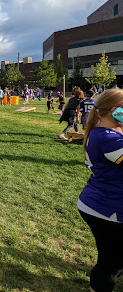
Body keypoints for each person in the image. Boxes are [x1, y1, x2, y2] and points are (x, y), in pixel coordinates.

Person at [77, 89, 123, 292]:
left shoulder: (104, 132)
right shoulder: (108, 139)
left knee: (112, 260)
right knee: (109, 264)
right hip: (106, 209)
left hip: (100, 204)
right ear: (115, 111)